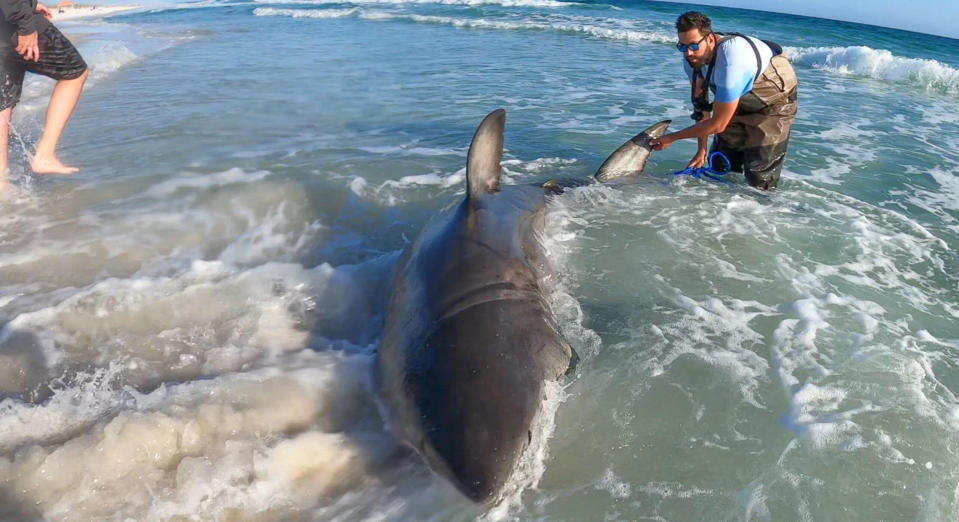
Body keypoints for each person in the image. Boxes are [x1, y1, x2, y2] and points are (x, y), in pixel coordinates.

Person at [649, 11, 798, 190]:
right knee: (721, 164)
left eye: (694, 46)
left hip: (773, 105)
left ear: (710, 39)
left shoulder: (732, 58)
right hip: (736, 101)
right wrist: (701, 150)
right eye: (682, 46)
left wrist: (671, 138)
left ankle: (767, 212)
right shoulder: (692, 59)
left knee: (759, 179)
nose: (688, 52)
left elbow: (718, 125)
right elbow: (701, 108)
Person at [0, 0, 88, 177]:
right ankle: (44, 156)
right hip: (15, 25)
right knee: (75, 73)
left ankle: (2, 180)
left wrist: (30, 4)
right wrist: (25, 23)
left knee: (3, 102)